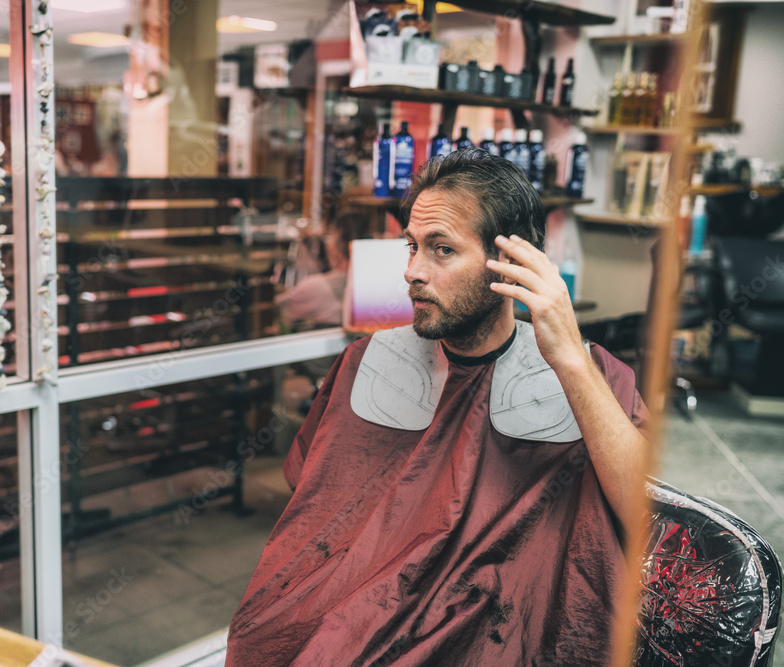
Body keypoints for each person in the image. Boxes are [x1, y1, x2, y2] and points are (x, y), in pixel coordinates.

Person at [225, 149, 649, 666]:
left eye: (442, 249)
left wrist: (570, 364)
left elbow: (645, 514)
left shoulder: (594, 378)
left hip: (495, 639)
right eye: (411, 246)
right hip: (351, 626)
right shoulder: (368, 362)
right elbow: (314, 499)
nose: (412, 271)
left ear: (513, 264)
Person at [276, 211, 368, 332]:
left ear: (339, 242)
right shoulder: (369, 284)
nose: (327, 242)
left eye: (330, 234)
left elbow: (277, 307)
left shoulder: (316, 287)